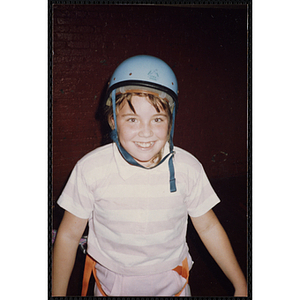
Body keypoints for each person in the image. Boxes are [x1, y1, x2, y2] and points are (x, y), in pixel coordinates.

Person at [52, 55, 247, 297]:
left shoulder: (187, 168)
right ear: (113, 119)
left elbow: (208, 226)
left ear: (170, 122)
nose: (145, 133)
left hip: (173, 287)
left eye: (157, 119)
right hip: (110, 289)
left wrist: (240, 284)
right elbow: (69, 236)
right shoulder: (90, 169)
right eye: (132, 119)